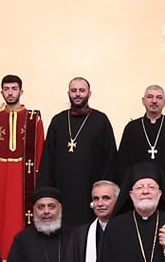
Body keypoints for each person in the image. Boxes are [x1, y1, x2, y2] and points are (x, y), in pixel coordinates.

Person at [37, 76, 118, 225]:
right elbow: (47, 160)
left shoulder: (101, 120)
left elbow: (110, 160)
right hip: (62, 192)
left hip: (90, 193)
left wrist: (103, 194)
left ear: (89, 93)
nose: (78, 94)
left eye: (82, 90)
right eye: (74, 90)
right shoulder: (58, 121)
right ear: (68, 93)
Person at [0, 74, 43, 257]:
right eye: (6, 89)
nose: (10, 93)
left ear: (21, 91)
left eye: (14, 89)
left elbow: (40, 150)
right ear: (1, 92)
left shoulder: (33, 119)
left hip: (24, 182)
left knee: (20, 220)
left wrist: (39, 184)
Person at [116, 84, 165, 227]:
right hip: (139, 198)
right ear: (143, 101)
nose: (154, 101)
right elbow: (123, 166)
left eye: (158, 97)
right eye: (150, 97)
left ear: (164, 102)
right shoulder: (132, 129)